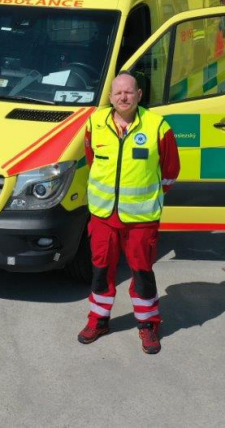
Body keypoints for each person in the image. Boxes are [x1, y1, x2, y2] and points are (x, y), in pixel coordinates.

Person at [77, 73, 180, 355]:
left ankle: (148, 325)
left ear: (139, 95)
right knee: (100, 271)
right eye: (118, 93)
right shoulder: (95, 123)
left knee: (142, 272)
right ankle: (98, 320)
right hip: (102, 217)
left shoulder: (158, 126)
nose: (123, 97)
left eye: (128, 92)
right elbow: (90, 159)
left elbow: (170, 172)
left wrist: (145, 200)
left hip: (141, 220)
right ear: (110, 97)